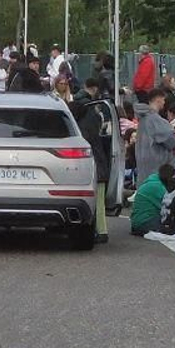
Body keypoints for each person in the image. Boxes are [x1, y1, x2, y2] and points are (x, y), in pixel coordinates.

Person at [69, 81, 114, 244]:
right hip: (97, 161)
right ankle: (101, 230)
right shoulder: (93, 114)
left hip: (77, 165)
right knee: (99, 200)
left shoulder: (73, 119)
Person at [135, 88, 175, 184]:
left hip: (143, 168)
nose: (164, 103)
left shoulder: (142, 119)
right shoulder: (154, 119)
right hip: (156, 168)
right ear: (158, 99)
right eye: (163, 100)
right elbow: (171, 139)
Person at [130, 165, 175, 237]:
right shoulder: (158, 187)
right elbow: (168, 207)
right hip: (146, 222)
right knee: (174, 229)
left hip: (137, 222)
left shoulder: (151, 181)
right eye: (174, 178)